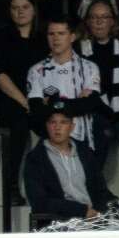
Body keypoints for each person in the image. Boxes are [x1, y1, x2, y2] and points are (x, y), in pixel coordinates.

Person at [0, 0, 48, 203]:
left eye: (25, 7)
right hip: (11, 99)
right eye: (15, 8)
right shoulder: (0, 37)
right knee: (17, 125)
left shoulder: (44, 38)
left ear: (34, 10)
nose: (20, 12)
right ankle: (11, 187)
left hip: (40, 99)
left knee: (56, 125)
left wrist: (41, 100)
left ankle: (52, 186)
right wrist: (25, 101)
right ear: (9, 12)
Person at [76, 0, 119, 170]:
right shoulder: (79, 47)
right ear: (87, 22)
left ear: (112, 21)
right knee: (95, 160)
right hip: (96, 111)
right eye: (94, 17)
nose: (99, 22)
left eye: (104, 17)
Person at [23, 107, 117, 222]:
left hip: (92, 222)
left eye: (63, 122)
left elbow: (101, 191)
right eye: (53, 122)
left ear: (72, 127)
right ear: (47, 126)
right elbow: (39, 202)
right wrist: (81, 210)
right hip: (57, 224)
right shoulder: (36, 158)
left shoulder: (85, 153)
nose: (57, 127)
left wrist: (104, 209)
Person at [26, 17, 103, 148]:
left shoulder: (89, 67)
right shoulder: (36, 70)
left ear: (72, 37)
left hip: (83, 141)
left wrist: (52, 103)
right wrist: (75, 103)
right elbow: (36, 110)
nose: (55, 38)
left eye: (61, 33)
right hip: (49, 143)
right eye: (51, 34)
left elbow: (90, 104)